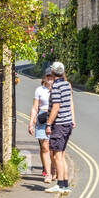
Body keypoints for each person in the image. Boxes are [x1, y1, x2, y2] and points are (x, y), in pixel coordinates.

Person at [45, 60, 75, 190]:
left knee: (57, 155)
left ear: (52, 72)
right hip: (67, 123)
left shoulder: (56, 87)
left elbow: (56, 107)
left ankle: (60, 184)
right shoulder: (67, 85)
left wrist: (48, 124)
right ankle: (64, 185)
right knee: (61, 155)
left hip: (59, 124)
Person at [28, 66, 55, 184]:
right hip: (42, 119)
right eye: (48, 76)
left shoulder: (57, 89)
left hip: (54, 119)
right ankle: (48, 173)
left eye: (52, 76)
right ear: (44, 77)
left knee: (53, 149)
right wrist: (30, 123)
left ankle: (54, 169)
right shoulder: (39, 90)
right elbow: (35, 107)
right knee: (44, 147)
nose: (50, 78)